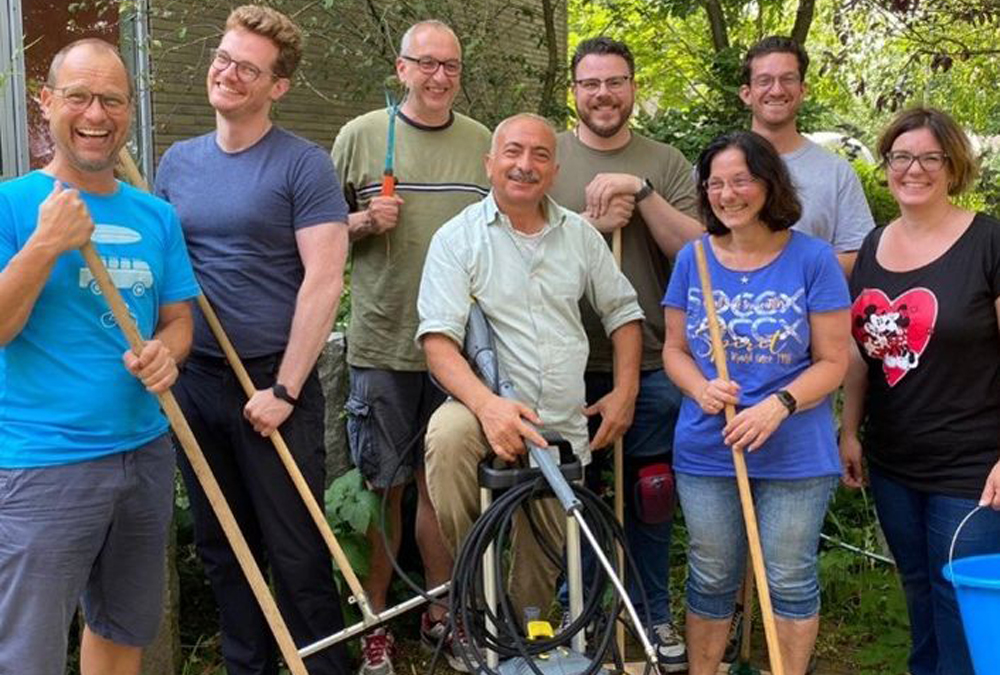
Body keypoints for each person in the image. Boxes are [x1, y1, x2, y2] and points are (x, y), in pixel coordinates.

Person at [153, 6, 350, 675]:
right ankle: (248, 666)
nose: (227, 73)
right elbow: (162, 272)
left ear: (277, 86)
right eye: (223, 56)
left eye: (248, 67)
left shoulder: (303, 165)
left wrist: (286, 388)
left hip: (271, 379)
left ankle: (322, 666)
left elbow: (324, 280)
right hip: (197, 379)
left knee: (295, 550)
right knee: (222, 544)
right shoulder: (177, 162)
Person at [0, 38, 199, 675]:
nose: (95, 114)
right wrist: (45, 244)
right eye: (79, 97)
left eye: (111, 99)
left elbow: (177, 323)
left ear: (128, 109)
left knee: (122, 631)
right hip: (43, 464)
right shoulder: (11, 204)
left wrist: (168, 356)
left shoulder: (156, 216)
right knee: (27, 651)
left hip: (143, 454)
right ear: (46, 103)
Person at [417, 112, 642, 624]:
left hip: (559, 425)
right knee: (447, 435)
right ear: (490, 163)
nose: (525, 165)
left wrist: (625, 390)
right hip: (483, 408)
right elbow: (438, 343)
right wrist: (488, 406)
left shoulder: (581, 236)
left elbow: (624, 314)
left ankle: (526, 632)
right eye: (513, 152)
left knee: (536, 589)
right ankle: (474, 578)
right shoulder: (457, 239)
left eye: (540, 155)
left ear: (555, 170)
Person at [331, 19, 491, 675]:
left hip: (458, 349)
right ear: (401, 70)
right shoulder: (363, 137)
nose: (438, 76)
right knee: (382, 489)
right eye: (425, 64)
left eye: (449, 65)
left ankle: (440, 611)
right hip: (384, 344)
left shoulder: (482, 142)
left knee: (440, 486)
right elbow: (314, 235)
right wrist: (366, 220)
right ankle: (373, 622)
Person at [662, 130, 850, 675]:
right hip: (709, 444)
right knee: (712, 574)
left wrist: (779, 404)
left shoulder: (812, 260)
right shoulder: (693, 258)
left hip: (795, 449)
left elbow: (834, 362)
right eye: (715, 183)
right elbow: (674, 350)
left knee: (789, 574)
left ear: (769, 184)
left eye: (741, 180)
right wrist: (700, 387)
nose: (728, 193)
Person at [546, 35, 702, 670]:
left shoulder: (663, 162)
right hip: (563, 358)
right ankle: (575, 607)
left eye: (615, 81)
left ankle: (652, 610)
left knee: (650, 492)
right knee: (569, 492)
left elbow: (697, 253)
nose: (603, 94)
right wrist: (588, 229)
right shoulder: (547, 155)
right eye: (590, 84)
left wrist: (642, 194)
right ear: (575, 92)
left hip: (657, 357)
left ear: (633, 87)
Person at [839, 107, 1000, 675]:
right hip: (893, 461)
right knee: (917, 588)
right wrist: (849, 430)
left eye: (930, 158)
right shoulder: (874, 245)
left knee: (962, 601)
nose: (914, 169)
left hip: (973, 467)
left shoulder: (989, 243)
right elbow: (863, 349)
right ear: (886, 166)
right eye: (901, 157)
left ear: (954, 167)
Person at [741, 35, 874, 275]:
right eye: (764, 81)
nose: (777, 89)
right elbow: (697, 246)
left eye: (788, 79)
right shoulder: (716, 169)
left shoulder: (836, 172)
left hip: (812, 312)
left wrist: (790, 271)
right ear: (746, 93)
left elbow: (859, 256)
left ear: (803, 90)